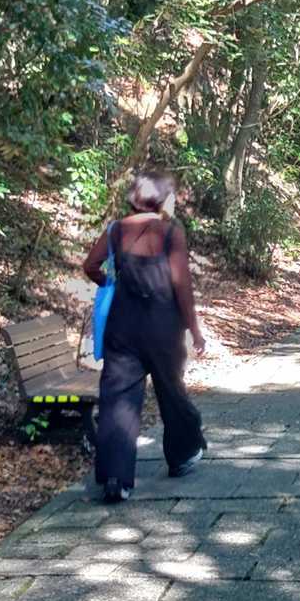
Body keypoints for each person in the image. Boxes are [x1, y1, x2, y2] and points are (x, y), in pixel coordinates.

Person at [80, 170, 208, 503]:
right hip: (163, 327)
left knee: (117, 400)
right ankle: (182, 455)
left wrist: (110, 283)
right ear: (162, 198)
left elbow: (90, 266)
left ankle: (115, 479)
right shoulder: (170, 231)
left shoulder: (116, 229)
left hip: (122, 327)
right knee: (172, 392)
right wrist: (194, 331)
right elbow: (181, 284)